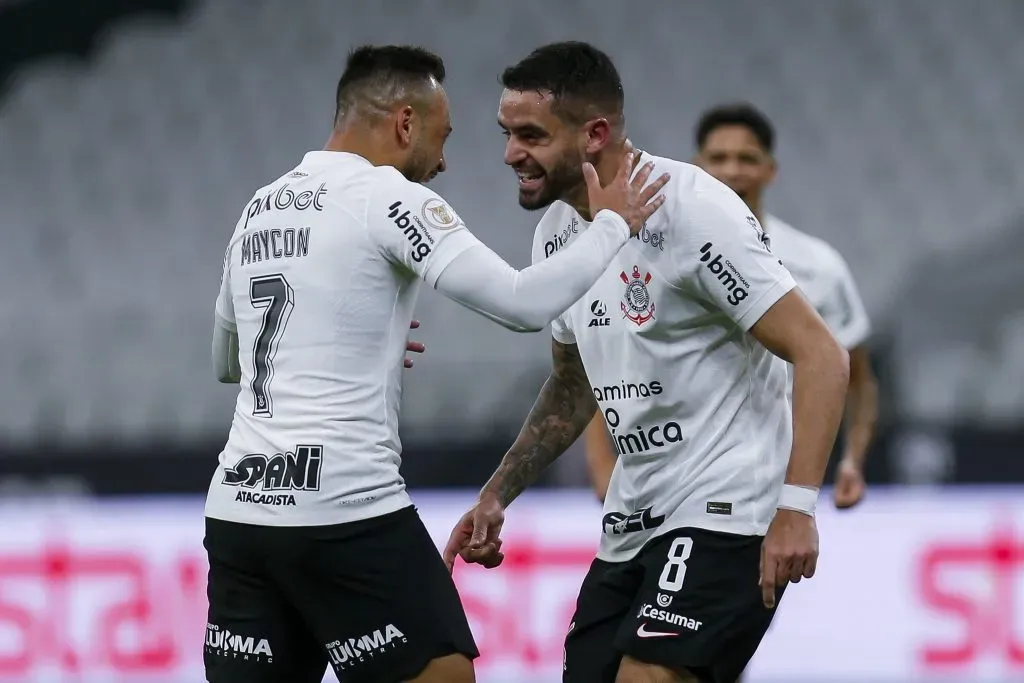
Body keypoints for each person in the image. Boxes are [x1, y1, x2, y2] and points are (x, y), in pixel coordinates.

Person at [204, 44, 668, 683]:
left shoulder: (259, 207)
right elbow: (520, 303)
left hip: (239, 511)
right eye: (442, 138)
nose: (444, 162)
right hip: (341, 504)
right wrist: (611, 225)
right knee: (443, 673)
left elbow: (230, 360)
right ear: (404, 123)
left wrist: (361, 336)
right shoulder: (386, 196)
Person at [442, 42, 850, 683]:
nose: (510, 154)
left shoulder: (695, 211)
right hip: (633, 522)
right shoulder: (556, 231)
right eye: (507, 133)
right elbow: (573, 384)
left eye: (530, 135)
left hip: (728, 510)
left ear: (595, 133)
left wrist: (797, 507)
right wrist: (499, 493)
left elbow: (822, 354)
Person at [584, 104, 879, 510]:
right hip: (681, 475)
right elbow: (616, 365)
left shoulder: (818, 266)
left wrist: (850, 461)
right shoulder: (657, 256)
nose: (732, 170)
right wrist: (603, 471)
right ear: (696, 167)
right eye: (718, 158)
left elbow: (858, 379)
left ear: (770, 170)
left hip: (791, 479)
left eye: (747, 159)